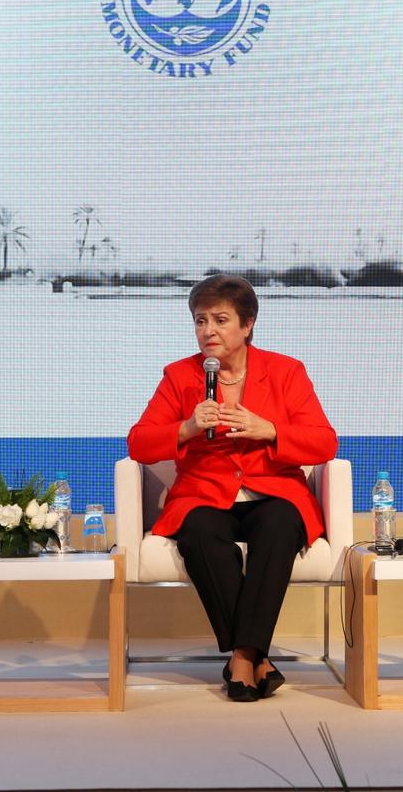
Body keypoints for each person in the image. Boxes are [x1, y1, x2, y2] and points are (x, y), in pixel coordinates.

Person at [128, 274, 337, 702]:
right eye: (200, 320)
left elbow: (325, 441)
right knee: (201, 530)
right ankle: (254, 657)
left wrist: (271, 430)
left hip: (274, 489)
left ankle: (242, 657)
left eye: (221, 320)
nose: (208, 331)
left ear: (247, 325)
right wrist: (185, 429)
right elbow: (138, 443)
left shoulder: (285, 371)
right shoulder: (180, 376)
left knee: (279, 522)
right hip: (204, 492)